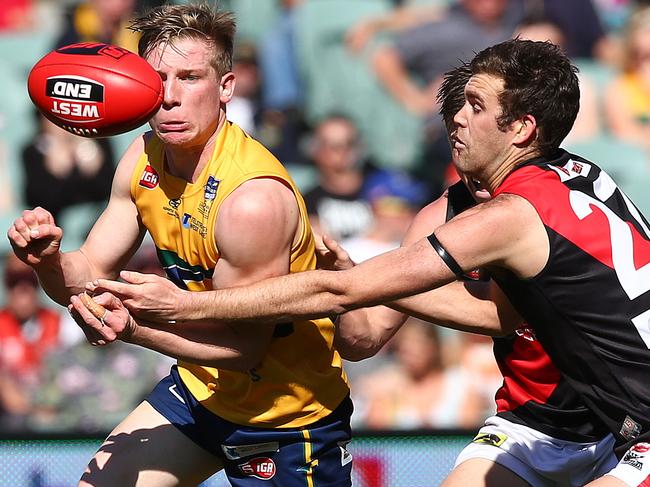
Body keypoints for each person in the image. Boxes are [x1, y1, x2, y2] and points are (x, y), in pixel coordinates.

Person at [84, 39, 650, 486]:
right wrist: (350, 278)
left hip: (627, 420)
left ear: (522, 129)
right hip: (552, 421)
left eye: (476, 106)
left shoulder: (512, 214)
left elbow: (356, 299)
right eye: (460, 101)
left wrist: (188, 305)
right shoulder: (511, 196)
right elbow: (361, 335)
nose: (455, 116)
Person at [8, 4, 351, 486]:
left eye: (189, 78)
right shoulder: (144, 156)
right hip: (198, 391)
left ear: (226, 88)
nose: (169, 97)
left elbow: (243, 350)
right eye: (157, 78)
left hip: (286, 419)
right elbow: (85, 273)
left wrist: (135, 329)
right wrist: (47, 261)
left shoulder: (251, 198)